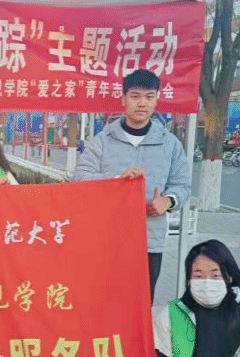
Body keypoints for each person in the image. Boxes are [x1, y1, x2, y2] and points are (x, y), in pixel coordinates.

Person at [72, 69, 191, 301]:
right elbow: (79, 178)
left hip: (149, 241)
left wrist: (167, 201)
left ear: (156, 100)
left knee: (141, 306)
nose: (142, 103)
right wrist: (117, 180)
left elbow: (182, 185)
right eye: (135, 96)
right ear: (123, 99)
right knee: (103, 303)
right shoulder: (103, 141)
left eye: (149, 97)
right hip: (107, 241)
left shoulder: (170, 144)